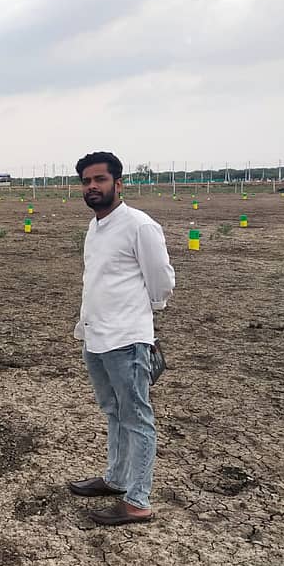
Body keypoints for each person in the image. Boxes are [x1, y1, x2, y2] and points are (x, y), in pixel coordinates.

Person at [68, 151, 175, 525]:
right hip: (95, 337)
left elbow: (161, 280)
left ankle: (138, 500)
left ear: (118, 183)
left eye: (99, 179)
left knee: (137, 418)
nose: (92, 186)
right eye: (86, 181)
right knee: (113, 412)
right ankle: (116, 478)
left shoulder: (139, 225)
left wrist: (140, 316)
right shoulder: (96, 226)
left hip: (127, 340)